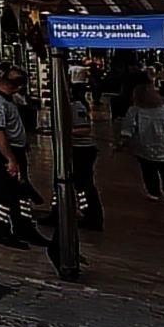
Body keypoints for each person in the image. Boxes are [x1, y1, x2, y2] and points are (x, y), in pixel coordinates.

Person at [0, 66, 49, 248]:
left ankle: (24, 228)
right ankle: (0, 231)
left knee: (20, 192)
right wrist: (10, 159)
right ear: (18, 85)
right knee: (3, 193)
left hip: (13, 150)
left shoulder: (3, 97)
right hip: (1, 153)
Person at [119, 82, 164, 205]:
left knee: (149, 171)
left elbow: (128, 129)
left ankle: (154, 193)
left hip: (145, 147)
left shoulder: (134, 111)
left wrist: (123, 141)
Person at [69, 83, 104, 229]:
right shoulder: (76, 106)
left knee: (84, 185)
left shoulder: (76, 106)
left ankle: (91, 215)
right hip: (78, 149)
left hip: (82, 150)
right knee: (81, 183)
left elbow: (84, 129)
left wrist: (64, 131)